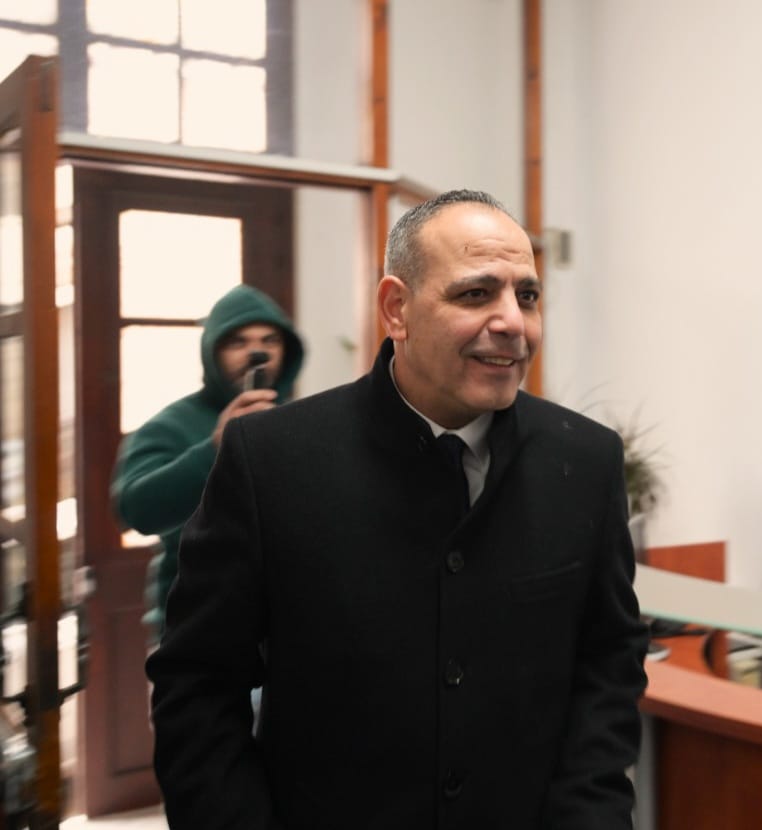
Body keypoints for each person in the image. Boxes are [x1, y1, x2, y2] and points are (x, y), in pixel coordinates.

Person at [146, 189, 649, 828]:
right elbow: (197, 683)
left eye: (526, 296)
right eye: (476, 293)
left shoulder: (587, 461)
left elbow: (607, 659)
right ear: (396, 308)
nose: (513, 323)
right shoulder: (271, 461)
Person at [111, 284, 305, 642]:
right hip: (196, 634)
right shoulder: (170, 425)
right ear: (212, 352)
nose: (257, 353)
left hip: (290, 636)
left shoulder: (300, 421)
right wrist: (216, 447)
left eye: (270, 340)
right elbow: (136, 509)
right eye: (238, 342)